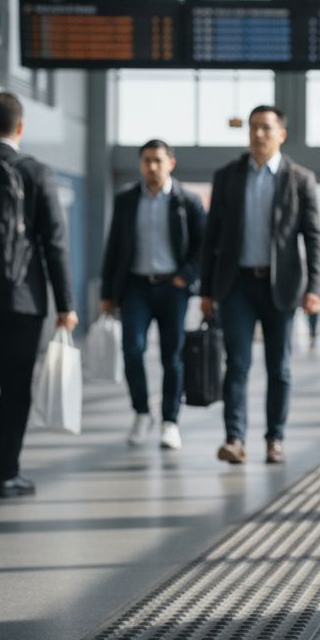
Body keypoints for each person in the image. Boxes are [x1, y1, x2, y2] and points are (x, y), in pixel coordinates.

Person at [199, 105, 320, 467]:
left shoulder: (300, 179)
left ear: (281, 135)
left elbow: (314, 237)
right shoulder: (228, 177)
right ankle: (235, 439)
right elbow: (212, 238)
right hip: (235, 284)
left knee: (279, 368)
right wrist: (205, 291)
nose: (258, 134)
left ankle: (274, 439)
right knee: (236, 364)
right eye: (253, 127)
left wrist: (315, 287)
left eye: (266, 128)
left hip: (281, 287)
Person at [0, 91, 77, 498]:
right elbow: (54, 243)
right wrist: (66, 305)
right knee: (16, 387)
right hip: (23, 299)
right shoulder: (36, 172)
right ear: (20, 126)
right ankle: (6, 474)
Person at [99, 139, 206, 450]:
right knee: (133, 349)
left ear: (171, 162)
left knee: (172, 356)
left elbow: (203, 245)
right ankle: (141, 411)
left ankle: (170, 421)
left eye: (158, 160)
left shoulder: (187, 200)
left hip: (173, 289)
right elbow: (114, 248)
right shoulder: (127, 199)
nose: (152, 166)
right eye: (146, 160)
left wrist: (185, 277)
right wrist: (108, 292)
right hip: (136, 287)